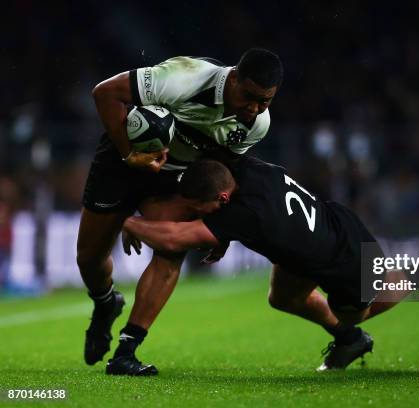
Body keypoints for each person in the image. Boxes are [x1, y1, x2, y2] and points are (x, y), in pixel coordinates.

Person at [119, 157, 419, 374]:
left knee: (361, 310)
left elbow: (171, 239)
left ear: (224, 197)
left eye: (201, 206)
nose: (196, 212)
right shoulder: (249, 169)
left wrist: (127, 221)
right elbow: (216, 213)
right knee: (282, 298)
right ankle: (350, 342)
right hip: (325, 226)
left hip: (344, 258)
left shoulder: (250, 217)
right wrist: (221, 234)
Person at [78, 48, 283, 374]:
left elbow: (225, 168)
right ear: (233, 79)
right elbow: (105, 92)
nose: (254, 108)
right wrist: (130, 154)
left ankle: (126, 351)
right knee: (89, 258)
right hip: (123, 160)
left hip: (173, 179)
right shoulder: (184, 78)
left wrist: (221, 225)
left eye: (265, 101)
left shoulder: (256, 125)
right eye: (249, 96)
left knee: (171, 248)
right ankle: (106, 303)